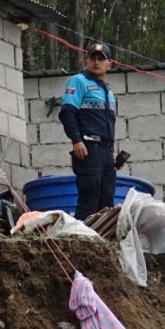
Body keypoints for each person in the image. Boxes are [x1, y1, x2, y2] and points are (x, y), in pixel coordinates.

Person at [59, 43, 120, 219]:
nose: (96, 62)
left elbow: (107, 124)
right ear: (87, 60)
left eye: (101, 59)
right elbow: (67, 113)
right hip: (88, 149)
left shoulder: (108, 91)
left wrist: (112, 151)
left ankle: (99, 243)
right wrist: (76, 140)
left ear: (110, 64)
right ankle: (80, 242)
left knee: (106, 202)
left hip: (106, 153)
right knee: (89, 199)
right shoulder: (78, 81)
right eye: (93, 58)